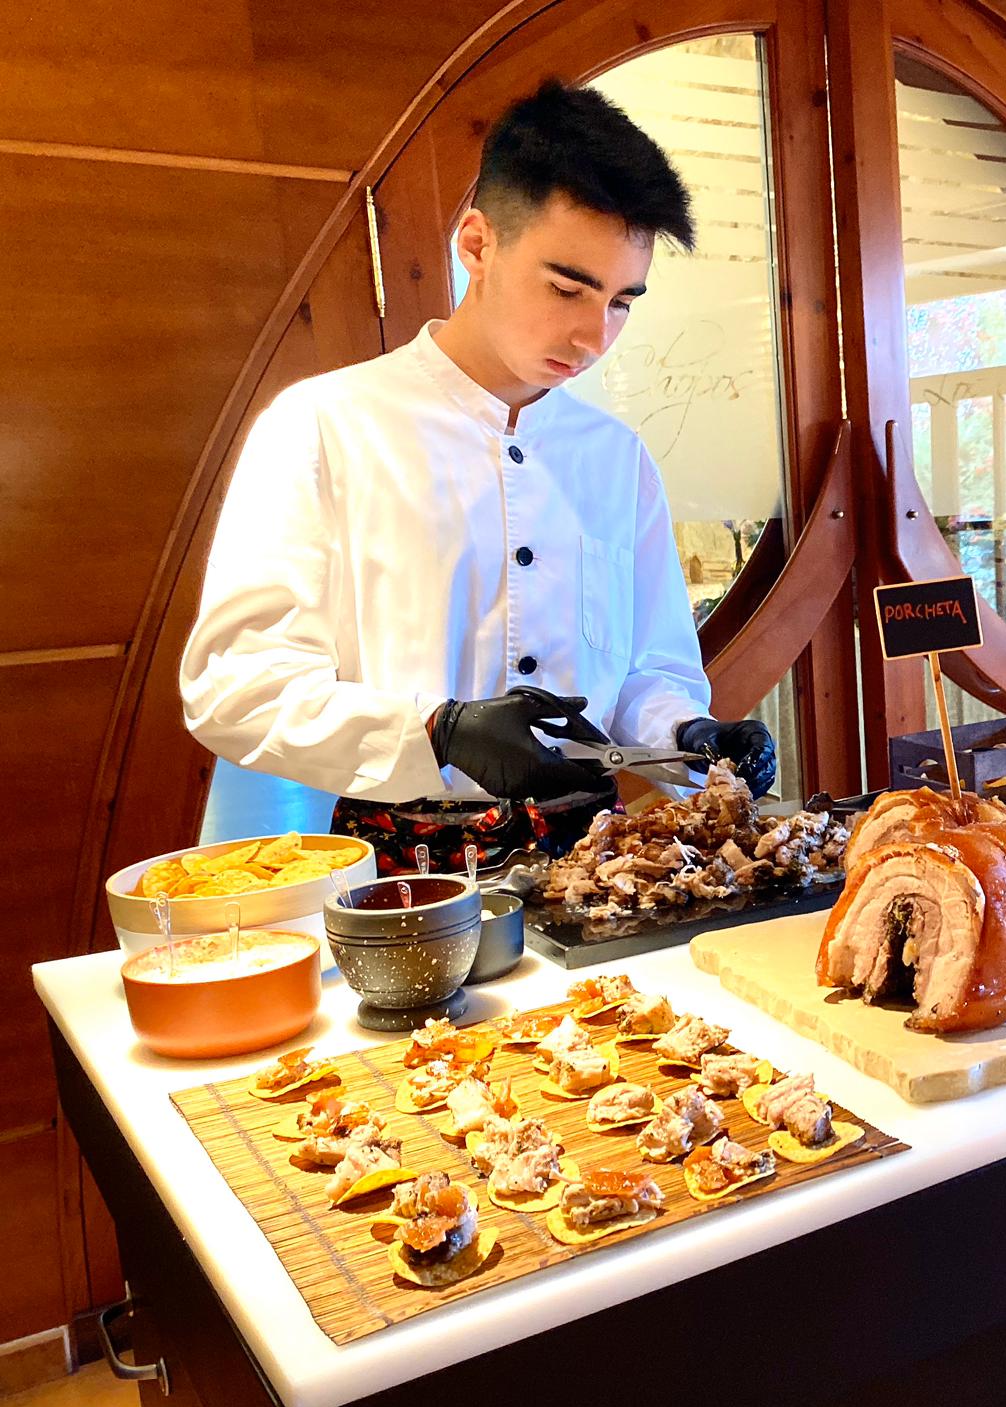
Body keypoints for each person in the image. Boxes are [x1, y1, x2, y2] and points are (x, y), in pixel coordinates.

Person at [181, 81, 774, 873]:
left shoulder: (616, 457)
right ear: (477, 244)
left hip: (602, 864)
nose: (594, 336)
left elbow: (647, 670)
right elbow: (236, 688)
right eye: (567, 288)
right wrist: (437, 732)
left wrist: (687, 732)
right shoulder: (325, 426)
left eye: (622, 301)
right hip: (398, 870)